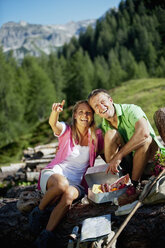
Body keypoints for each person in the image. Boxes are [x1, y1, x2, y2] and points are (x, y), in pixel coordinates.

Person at [29, 99, 104, 247]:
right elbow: (54, 124)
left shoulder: (97, 136)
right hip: (54, 175)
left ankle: (45, 235)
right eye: (81, 112)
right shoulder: (67, 130)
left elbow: (108, 151)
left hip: (77, 183)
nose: (85, 115)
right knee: (62, 185)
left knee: (69, 193)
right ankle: (39, 211)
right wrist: (54, 113)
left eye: (88, 113)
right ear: (75, 115)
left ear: (92, 116)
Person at [88, 89, 164, 205]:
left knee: (146, 139)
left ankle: (134, 186)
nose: (101, 107)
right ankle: (119, 181)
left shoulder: (131, 109)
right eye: (96, 106)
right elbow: (91, 151)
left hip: (153, 161)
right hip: (131, 166)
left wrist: (119, 155)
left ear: (110, 100)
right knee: (110, 134)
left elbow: (144, 134)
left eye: (103, 102)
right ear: (95, 112)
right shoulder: (102, 128)